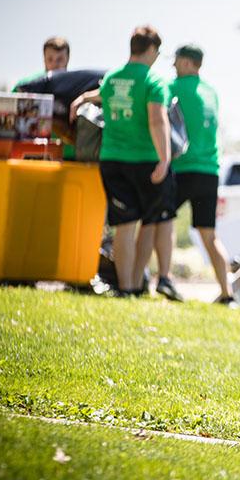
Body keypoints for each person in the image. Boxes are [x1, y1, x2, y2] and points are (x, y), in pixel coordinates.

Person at [69, 26, 174, 296]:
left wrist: (81, 98)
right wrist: (164, 159)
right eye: (158, 51)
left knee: (123, 226)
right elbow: (157, 119)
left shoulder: (113, 77)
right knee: (148, 223)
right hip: (145, 161)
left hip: (112, 160)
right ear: (150, 49)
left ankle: (125, 288)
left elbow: (99, 95)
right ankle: (138, 284)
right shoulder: (153, 81)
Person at [138, 44, 233, 304]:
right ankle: (227, 294)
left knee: (158, 221)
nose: (173, 66)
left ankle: (155, 279)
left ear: (189, 63)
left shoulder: (171, 88)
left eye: (177, 62)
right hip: (209, 172)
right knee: (209, 235)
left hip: (180, 170)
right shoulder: (212, 91)